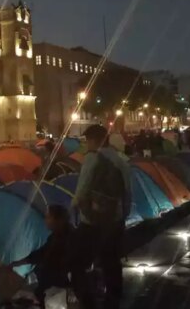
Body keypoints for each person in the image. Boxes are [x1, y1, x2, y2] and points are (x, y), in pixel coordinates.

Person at [71, 124, 130, 309]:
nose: (86, 144)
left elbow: (81, 192)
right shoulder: (122, 159)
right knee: (111, 261)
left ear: (94, 140)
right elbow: (128, 192)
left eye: (87, 140)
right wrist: (122, 216)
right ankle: (113, 298)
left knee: (78, 263)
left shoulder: (92, 159)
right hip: (116, 219)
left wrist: (72, 210)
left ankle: (87, 302)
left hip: (91, 222)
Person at [9, 205, 73, 307]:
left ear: (58, 220)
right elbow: (40, 253)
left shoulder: (67, 239)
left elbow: (48, 258)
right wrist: (18, 263)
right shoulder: (55, 236)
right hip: (48, 285)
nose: (45, 220)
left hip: (56, 287)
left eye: (48, 217)